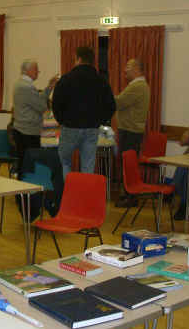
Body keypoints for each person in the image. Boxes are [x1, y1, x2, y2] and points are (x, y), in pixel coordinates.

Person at [52, 46, 115, 177]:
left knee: (64, 162)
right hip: (91, 128)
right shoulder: (101, 81)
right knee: (88, 165)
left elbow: (56, 104)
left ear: (79, 59)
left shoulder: (66, 79)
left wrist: (62, 120)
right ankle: (85, 190)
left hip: (70, 126)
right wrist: (100, 121)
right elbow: (111, 106)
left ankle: (67, 188)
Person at [114, 58, 150, 208]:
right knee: (128, 164)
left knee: (128, 165)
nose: (125, 70)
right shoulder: (139, 85)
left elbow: (119, 102)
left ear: (136, 69)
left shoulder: (137, 86)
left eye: (128, 66)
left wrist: (105, 96)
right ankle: (128, 194)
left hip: (130, 131)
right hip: (132, 131)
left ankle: (131, 196)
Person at [12, 60, 58, 176]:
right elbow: (42, 106)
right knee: (28, 166)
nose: (38, 72)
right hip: (28, 132)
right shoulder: (26, 87)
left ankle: (23, 186)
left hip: (24, 131)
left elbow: (38, 99)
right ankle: (26, 187)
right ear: (29, 70)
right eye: (36, 69)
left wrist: (49, 87)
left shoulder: (22, 84)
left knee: (24, 163)